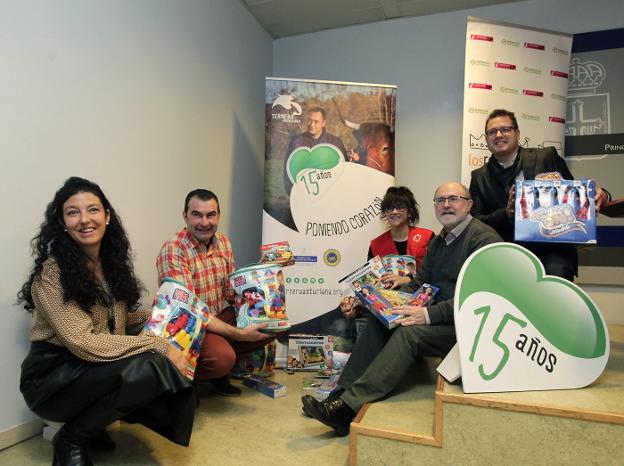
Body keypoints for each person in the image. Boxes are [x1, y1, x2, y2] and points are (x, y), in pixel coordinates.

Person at [18, 177, 196, 466]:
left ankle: (90, 427)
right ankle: (71, 439)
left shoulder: (110, 264)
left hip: (87, 368)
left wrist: (162, 316)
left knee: (158, 353)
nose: (84, 219)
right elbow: (83, 341)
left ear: (107, 216)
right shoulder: (51, 274)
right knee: (150, 364)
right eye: (73, 212)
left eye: (93, 210)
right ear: (62, 222)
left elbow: (119, 322)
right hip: (52, 378)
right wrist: (158, 345)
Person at [301, 182, 502, 436]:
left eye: (453, 198)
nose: (446, 205)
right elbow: (419, 284)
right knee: (377, 320)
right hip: (438, 317)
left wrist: (427, 314)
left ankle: (347, 409)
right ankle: (339, 394)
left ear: (469, 204)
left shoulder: (483, 239)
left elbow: (479, 299)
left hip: (468, 327)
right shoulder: (440, 241)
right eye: (440, 200)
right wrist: (380, 301)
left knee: (410, 333)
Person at [470, 108, 611, 281]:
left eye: (505, 129)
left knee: (555, 292)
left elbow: (574, 196)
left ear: (517, 133)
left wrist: (601, 195)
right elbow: (476, 221)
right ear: (486, 139)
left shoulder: (546, 156)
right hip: (508, 253)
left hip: (553, 250)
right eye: (492, 132)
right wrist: (506, 213)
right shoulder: (479, 177)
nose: (498, 135)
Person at [157, 189, 271, 396]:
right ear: (185, 216)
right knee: (222, 358)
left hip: (218, 317)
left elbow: (231, 293)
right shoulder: (174, 251)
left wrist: (260, 273)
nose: (204, 222)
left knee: (272, 320)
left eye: (211, 215)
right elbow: (189, 313)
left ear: (218, 215)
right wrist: (238, 333)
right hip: (187, 329)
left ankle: (219, 374)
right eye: (196, 215)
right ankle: (186, 382)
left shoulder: (223, 242)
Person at [283, 106, 348, 196]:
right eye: (309, 120)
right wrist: (292, 194)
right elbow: (288, 170)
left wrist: (354, 160)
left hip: (329, 194)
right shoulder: (296, 142)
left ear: (323, 123)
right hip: (303, 195)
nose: (312, 124)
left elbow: (345, 168)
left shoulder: (336, 142)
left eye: (316, 121)